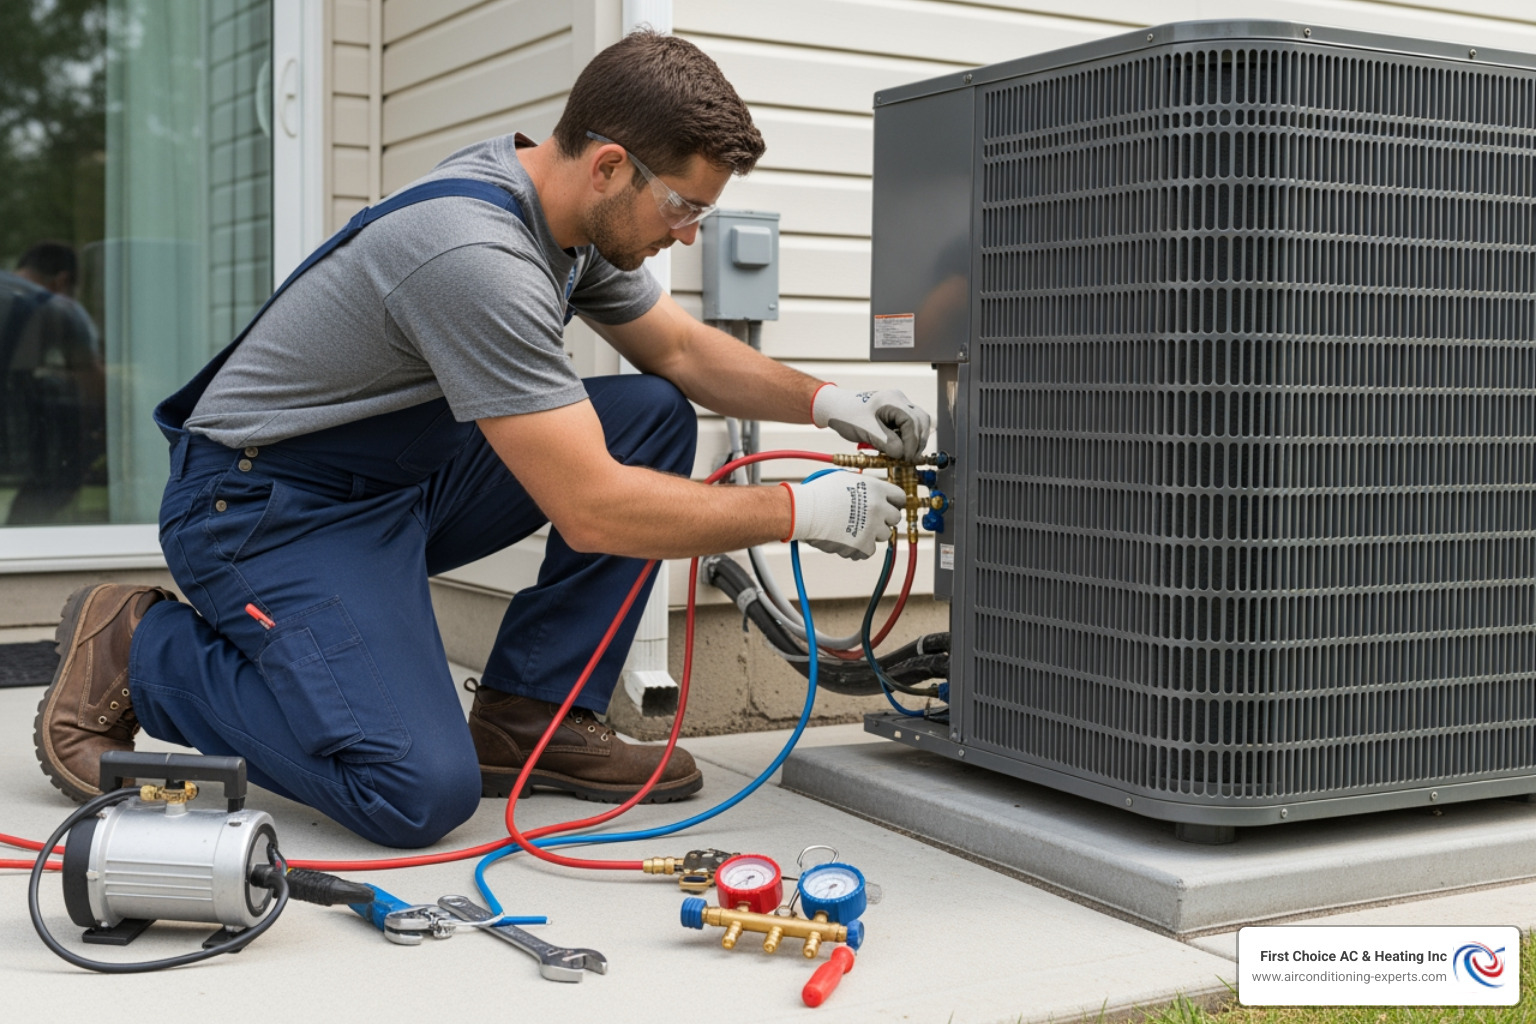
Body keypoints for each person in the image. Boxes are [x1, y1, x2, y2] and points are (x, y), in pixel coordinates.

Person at [33, 31, 932, 849]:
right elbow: (592, 511)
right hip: (265, 508)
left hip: (391, 484)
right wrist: (798, 511)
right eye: (682, 207)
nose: (689, 235)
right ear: (610, 166)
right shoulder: (474, 256)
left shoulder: (563, 215)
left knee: (650, 411)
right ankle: (141, 650)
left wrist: (830, 401)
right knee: (414, 790)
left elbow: (684, 352)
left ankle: (533, 717)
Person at [0, 242, 104, 524]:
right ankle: (26, 532)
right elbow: (95, 388)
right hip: (13, 438)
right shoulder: (57, 308)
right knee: (63, 467)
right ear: (62, 281)